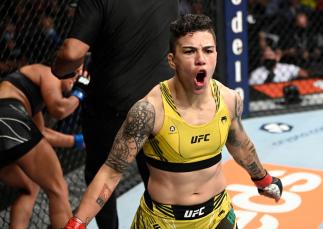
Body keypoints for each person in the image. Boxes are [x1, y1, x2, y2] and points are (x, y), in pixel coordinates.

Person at [64, 14, 283, 229]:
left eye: (208, 50)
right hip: (163, 222)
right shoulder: (148, 111)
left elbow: (239, 143)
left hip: (218, 215)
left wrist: (262, 179)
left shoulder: (229, 99)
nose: (201, 59)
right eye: (189, 51)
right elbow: (111, 171)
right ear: (172, 60)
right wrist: (78, 222)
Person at [51, 0, 179, 228]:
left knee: (104, 176)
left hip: (111, 106)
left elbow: (72, 52)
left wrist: (59, 69)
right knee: (159, 178)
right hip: (158, 102)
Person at [0, 63, 85, 229]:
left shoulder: (30, 101)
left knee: (30, 188)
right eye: (74, 77)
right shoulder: (49, 72)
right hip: (8, 118)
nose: (73, 82)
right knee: (58, 189)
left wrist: (77, 141)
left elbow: (40, 135)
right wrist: (79, 92)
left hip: (9, 123)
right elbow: (59, 109)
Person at [0, 125, 84, 229]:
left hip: (12, 130)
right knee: (57, 189)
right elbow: (57, 112)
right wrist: (75, 141)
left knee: (30, 188)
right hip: (12, 125)